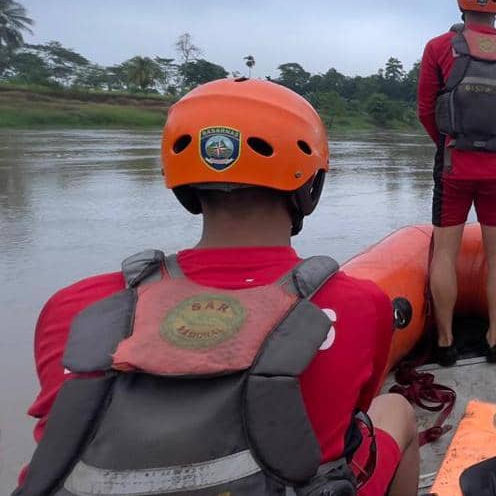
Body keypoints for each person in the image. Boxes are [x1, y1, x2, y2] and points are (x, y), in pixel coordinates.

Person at [16, 78, 419, 496]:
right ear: (308, 185)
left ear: (184, 184)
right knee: (395, 409)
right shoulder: (356, 303)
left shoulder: (76, 306)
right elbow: (355, 407)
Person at [417, 0, 496, 366]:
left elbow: (426, 110)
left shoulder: (438, 48)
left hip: (453, 166)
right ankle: (495, 338)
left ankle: (445, 341)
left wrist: (449, 144)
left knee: (444, 252)